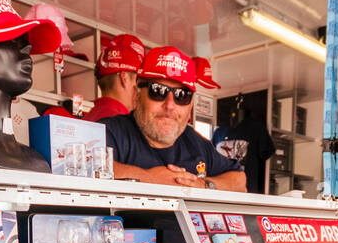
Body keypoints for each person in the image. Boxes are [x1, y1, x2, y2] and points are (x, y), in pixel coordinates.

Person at [102, 46, 246, 191]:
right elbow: (84, 167)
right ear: (136, 95)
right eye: (158, 91)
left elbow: (239, 180)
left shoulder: (197, 143)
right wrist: (149, 179)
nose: (170, 105)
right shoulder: (110, 131)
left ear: (190, 106)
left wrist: (203, 184)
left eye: (182, 96)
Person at [81, 33, 145, 123]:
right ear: (124, 78)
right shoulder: (123, 125)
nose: (138, 89)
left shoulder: (86, 118)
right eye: (137, 80)